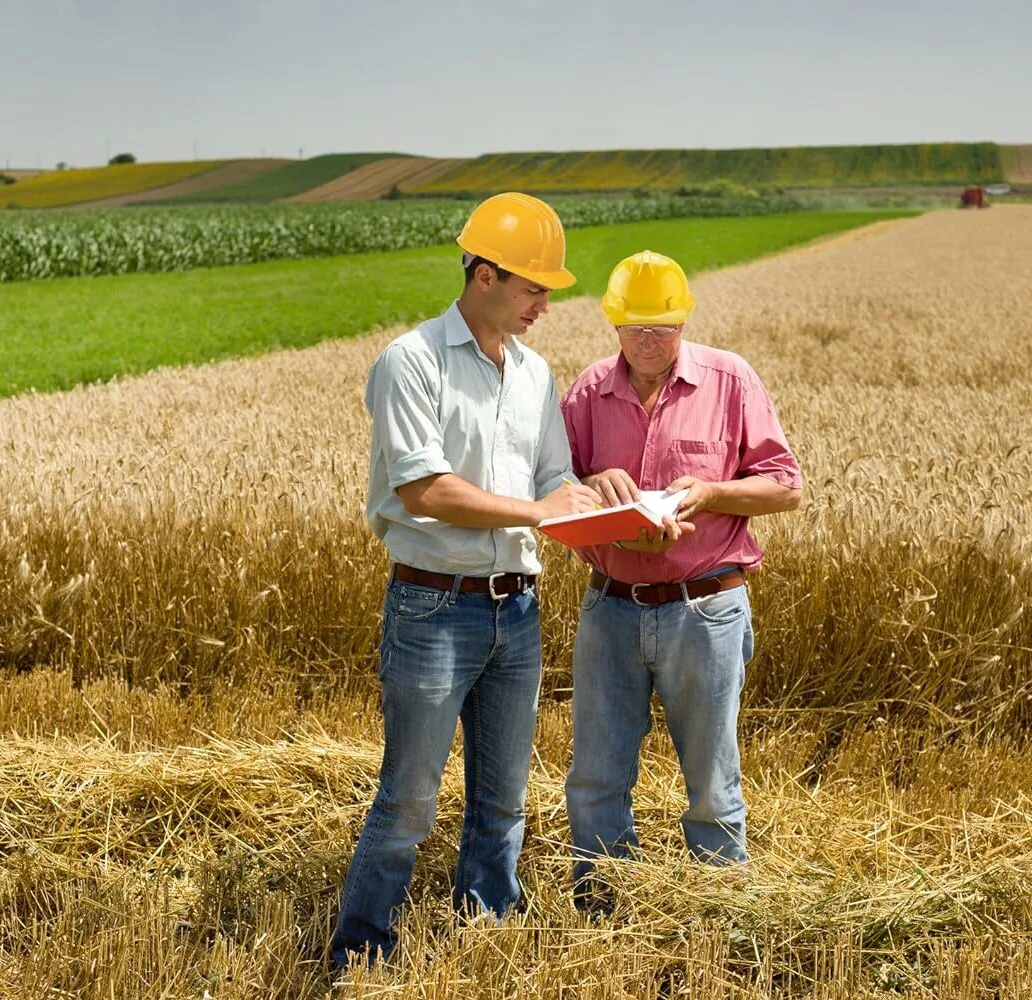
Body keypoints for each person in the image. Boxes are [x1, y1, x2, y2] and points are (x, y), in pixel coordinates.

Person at [330, 192, 601, 967]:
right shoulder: (410, 362)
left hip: (517, 609)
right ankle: (363, 952)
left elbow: (555, 476)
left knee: (503, 800)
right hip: (432, 607)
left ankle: (483, 935)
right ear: (484, 274)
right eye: (533, 288)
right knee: (410, 797)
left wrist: (597, 500)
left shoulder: (535, 374)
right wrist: (540, 513)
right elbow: (426, 490)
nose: (544, 305)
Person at [560, 250, 803, 912]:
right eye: (635, 327)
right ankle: (604, 912)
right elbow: (549, 487)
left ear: (684, 320)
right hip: (610, 609)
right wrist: (586, 486)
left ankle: (720, 919)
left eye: (662, 326)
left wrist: (714, 493)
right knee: (595, 778)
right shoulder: (586, 393)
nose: (648, 340)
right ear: (613, 324)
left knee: (712, 783)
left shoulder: (731, 381)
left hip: (706, 610)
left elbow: (785, 487)